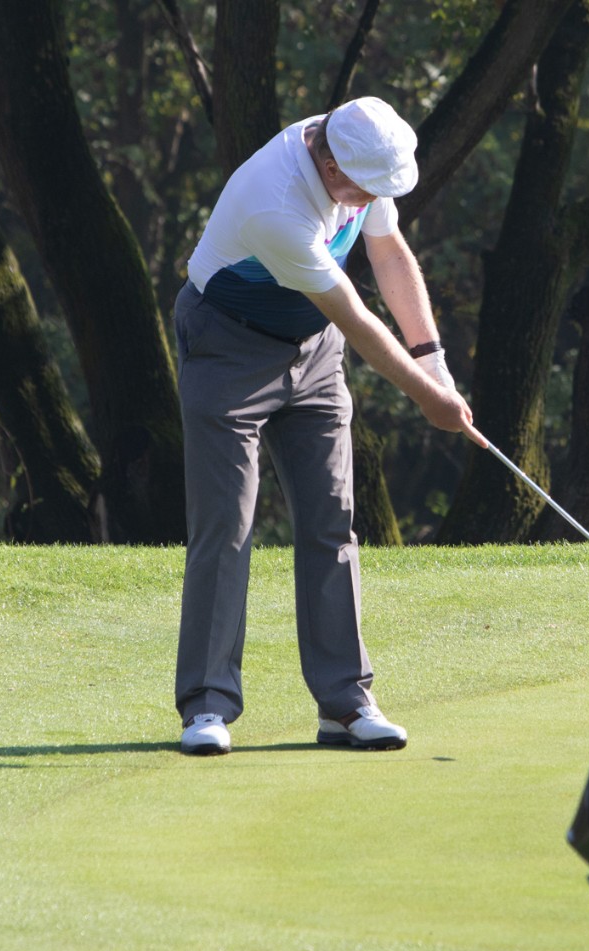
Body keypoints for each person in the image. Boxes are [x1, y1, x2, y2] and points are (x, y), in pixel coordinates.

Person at [172, 97, 480, 757]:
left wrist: (435, 363)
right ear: (330, 165)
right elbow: (357, 320)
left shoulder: (362, 151)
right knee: (227, 524)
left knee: (332, 521)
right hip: (227, 347)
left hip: (313, 350)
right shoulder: (276, 201)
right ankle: (207, 706)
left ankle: (345, 704)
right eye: (365, 189)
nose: (371, 200)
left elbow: (388, 252)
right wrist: (427, 398)